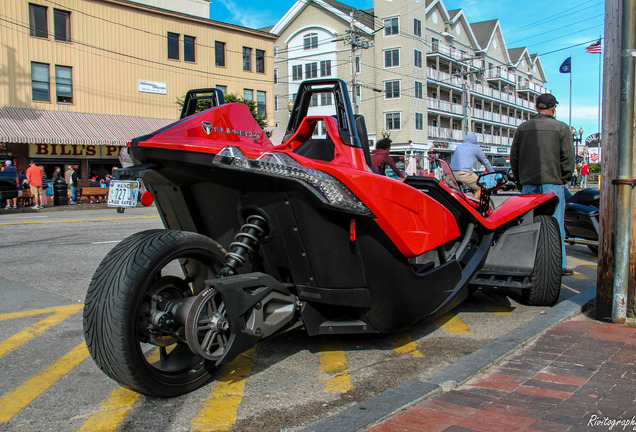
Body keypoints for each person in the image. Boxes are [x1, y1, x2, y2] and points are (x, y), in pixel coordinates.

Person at [510, 93, 575, 276]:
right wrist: (564, 178)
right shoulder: (561, 128)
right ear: (553, 108)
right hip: (553, 182)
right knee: (555, 226)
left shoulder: (523, 128)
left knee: (525, 226)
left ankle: (525, 263)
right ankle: (558, 266)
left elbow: (514, 157)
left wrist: (519, 180)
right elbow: (568, 158)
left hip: (528, 183)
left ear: (536, 107)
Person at [449, 132, 494, 200]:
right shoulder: (476, 148)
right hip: (464, 174)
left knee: (459, 193)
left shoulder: (459, 147)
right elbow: (486, 162)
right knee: (483, 187)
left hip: (451, 175)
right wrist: (493, 174)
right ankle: (474, 206)